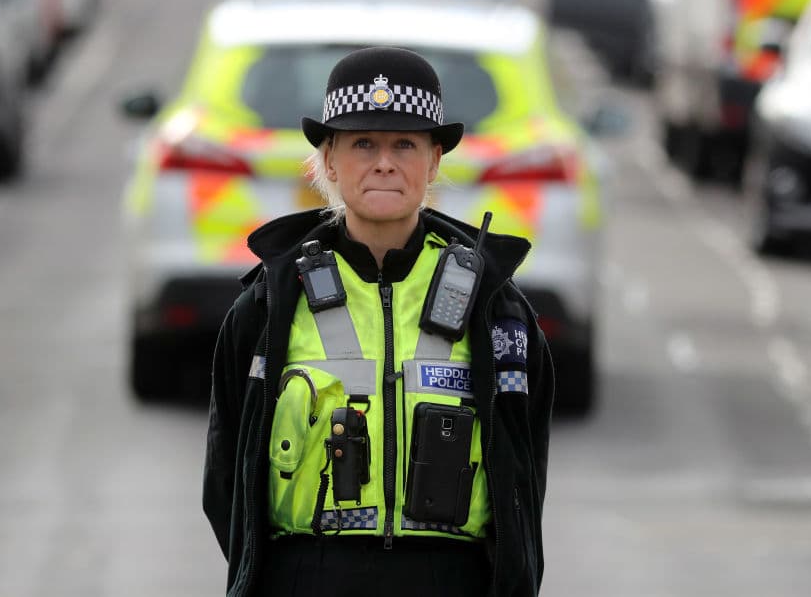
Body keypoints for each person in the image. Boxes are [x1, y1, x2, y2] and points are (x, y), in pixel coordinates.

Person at [203, 46, 555, 596]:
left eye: (405, 144)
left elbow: (523, 471)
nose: (384, 162)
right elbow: (226, 475)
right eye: (363, 142)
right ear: (330, 160)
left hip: (450, 580)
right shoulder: (270, 303)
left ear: (435, 161)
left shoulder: (496, 308)